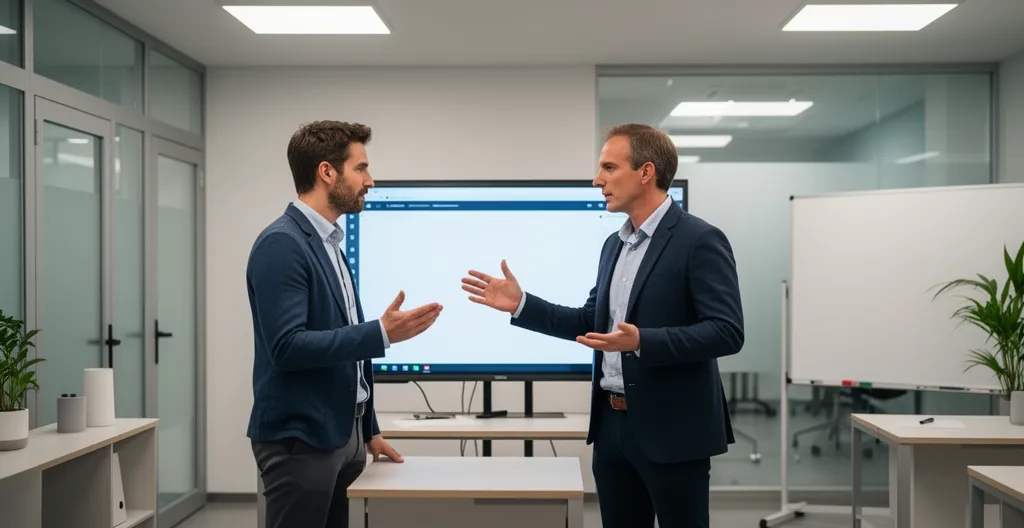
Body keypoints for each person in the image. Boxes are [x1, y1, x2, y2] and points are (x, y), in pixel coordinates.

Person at [461, 123, 743, 528]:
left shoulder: (700, 239)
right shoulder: (614, 245)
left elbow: (727, 330)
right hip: (612, 428)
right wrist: (522, 304)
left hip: (673, 432)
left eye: (609, 168)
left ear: (646, 172)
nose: (598, 180)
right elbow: (588, 323)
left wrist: (644, 341)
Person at [246, 120, 443, 528]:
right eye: (361, 168)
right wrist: (382, 333)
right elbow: (287, 347)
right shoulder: (281, 244)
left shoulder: (329, 241)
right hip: (301, 440)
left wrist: (368, 429)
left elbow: (346, 344)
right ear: (327, 172)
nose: (370, 181)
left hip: (344, 436)